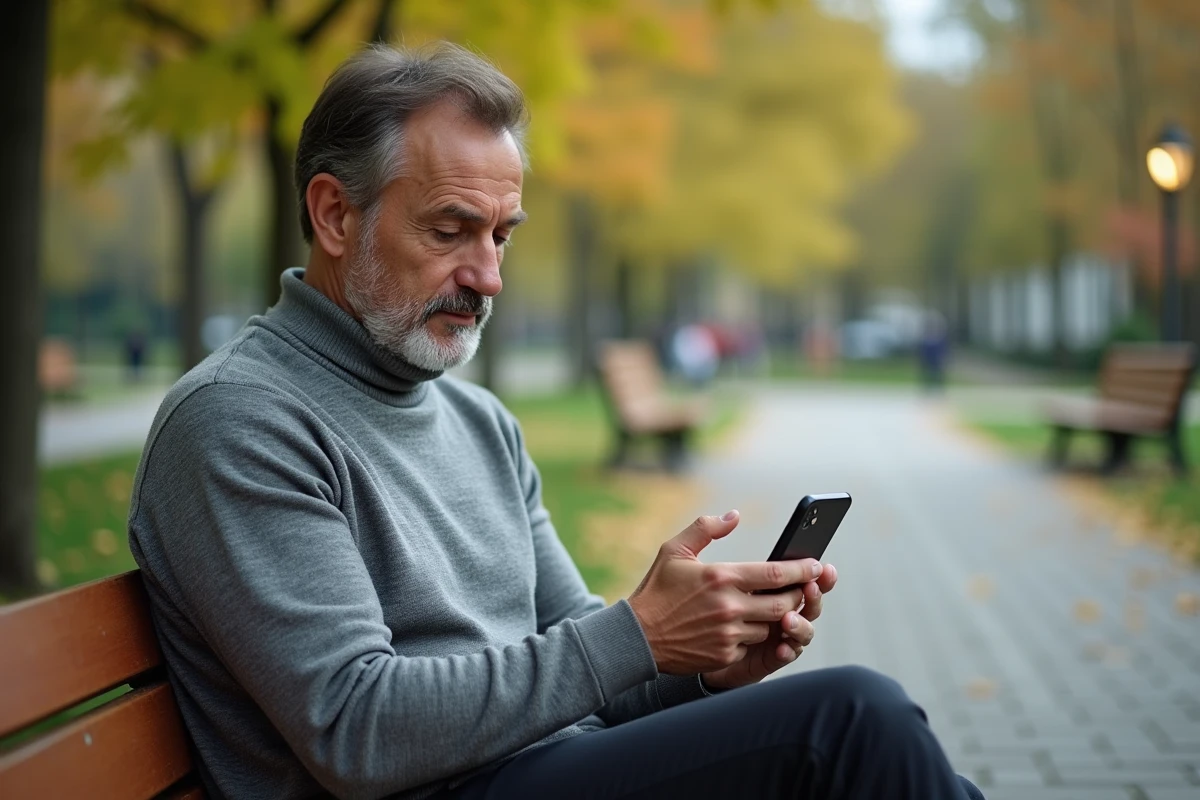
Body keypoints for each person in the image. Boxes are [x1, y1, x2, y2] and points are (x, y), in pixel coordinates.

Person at [128, 44, 984, 800]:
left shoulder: (478, 421)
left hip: (539, 771)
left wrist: (703, 669)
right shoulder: (239, 419)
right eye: (453, 229)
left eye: (503, 235)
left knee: (881, 751)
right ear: (335, 215)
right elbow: (356, 728)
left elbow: (594, 673)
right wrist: (638, 635)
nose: (489, 275)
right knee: (849, 723)